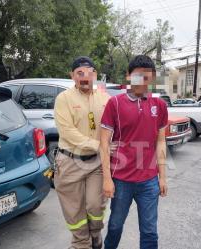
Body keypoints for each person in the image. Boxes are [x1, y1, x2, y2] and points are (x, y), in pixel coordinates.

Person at [100, 55, 168, 249]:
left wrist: (162, 177)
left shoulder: (160, 106)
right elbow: (103, 142)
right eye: (138, 76)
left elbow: (161, 142)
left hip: (149, 181)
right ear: (129, 76)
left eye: (147, 77)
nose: (142, 82)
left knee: (149, 231)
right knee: (115, 226)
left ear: (153, 78)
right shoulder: (115, 104)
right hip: (121, 180)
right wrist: (107, 179)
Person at [54, 56, 109, 249]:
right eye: (79, 73)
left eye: (89, 72)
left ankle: (95, 234)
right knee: (73, 209)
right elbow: (67, 132)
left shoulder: (104, 97)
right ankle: (80, 243)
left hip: (96, 163)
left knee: (95, 204)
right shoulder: (64, 99)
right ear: (72, 76)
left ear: (94, 74)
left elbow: (114, 123)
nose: (84, 77)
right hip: (70, 161)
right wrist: (98, 145)